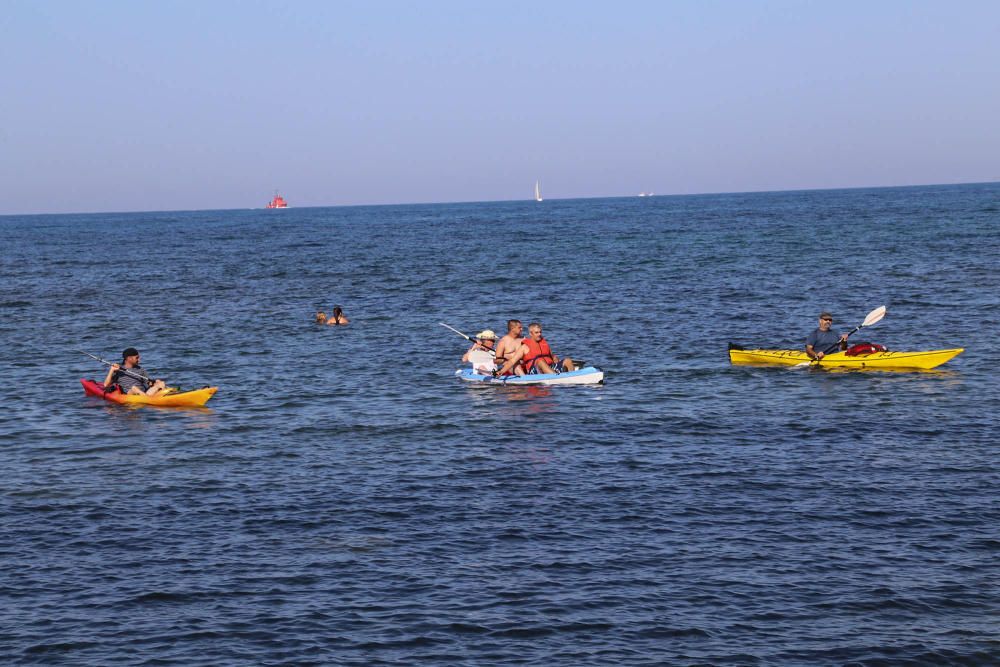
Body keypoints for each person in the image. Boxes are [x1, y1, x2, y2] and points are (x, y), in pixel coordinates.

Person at [497, 322, 574, 375]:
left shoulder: (544, 343)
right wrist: (501, 371)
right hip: (535, 371)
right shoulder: (525, 347)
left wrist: (555, 358)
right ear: (531, 333)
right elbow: (512, 361)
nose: (539, 334)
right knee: (540, 361)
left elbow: (551, 356)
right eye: (536, 333)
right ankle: (556, 377)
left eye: (540, 332)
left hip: (549, 367)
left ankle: (573, 376)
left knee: (567, 360)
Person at [103, 347, 168, 396]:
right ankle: (147, 400)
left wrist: (154, 382)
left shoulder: (140, 369)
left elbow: (148, 383)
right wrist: (111, 370)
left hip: (144, 393)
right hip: (130, 394)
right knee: (134, 388)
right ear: (129, 358)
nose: (139, 360)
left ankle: (167, 395)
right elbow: (106, 385)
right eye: (137, 358)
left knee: (161, 383)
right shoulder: (118, 370)